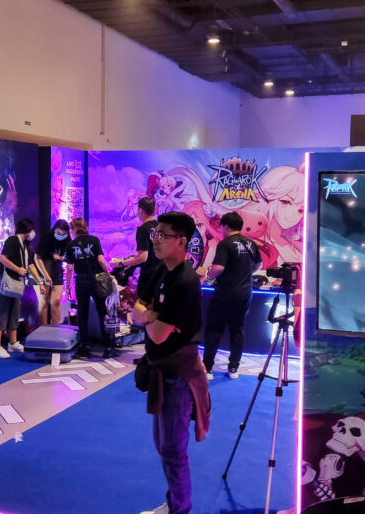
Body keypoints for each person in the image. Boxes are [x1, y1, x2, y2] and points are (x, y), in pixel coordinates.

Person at [133, 212, 210, 514]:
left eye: (163, 235)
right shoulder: (160, 271)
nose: (156, 240)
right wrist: (152, 315)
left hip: (179, 375)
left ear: (181, 241)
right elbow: (136, 310)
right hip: (160, 370)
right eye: (156, 234)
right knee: (163, 445)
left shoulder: (185, 281)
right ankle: (175, 503)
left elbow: (158, 334)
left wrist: (149, 317)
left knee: (173, 450)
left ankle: (179, 509)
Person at [203, 211, 262, 380]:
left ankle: (207, 368)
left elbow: (218, 268)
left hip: (226, 293)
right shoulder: (251, 243)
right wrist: (246, 273)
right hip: (245, 293)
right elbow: (259, 264)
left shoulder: (225, 244)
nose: (221, 230)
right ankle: (234, 367)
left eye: (221, 226)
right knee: (238, 330)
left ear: (226, 226)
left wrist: (208, 275)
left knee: (214, 330)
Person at [0, 218, 46, 359]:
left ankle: (13, 343)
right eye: (32, 229)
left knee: (15, 311)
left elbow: (31, 265)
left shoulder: (26, 246)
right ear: (27, 230)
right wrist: (18, 269)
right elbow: (3, 258)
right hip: (3, 279)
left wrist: (40, 282)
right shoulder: (12, 240)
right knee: (2, 311)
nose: (33, 232)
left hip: (16, 282)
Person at [65, 217, 114, 358]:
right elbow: (101, 260)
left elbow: (69, 268)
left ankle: (85, 347)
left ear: (74, 229)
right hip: (97, 281)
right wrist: (108, 274)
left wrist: (67, 287)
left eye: (71, 229)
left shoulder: (70, 245)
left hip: (80, 282)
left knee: (82, 314)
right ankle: (108, 347)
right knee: (102, 311)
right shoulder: (94, 240)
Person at [111, 196, 159, 296]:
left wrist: (121, 263)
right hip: (162, 274)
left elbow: (143, 257)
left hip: (149, 276)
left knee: (142, 304)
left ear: (140, 210)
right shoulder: (160, 226)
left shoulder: (142, 229)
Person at [34, 219, 71, 325]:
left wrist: (59, 258)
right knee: (44, 301)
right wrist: (45, 275)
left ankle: (55, 328)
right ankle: (44, 327)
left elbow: (69, 261)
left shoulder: (68, 242)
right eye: (58, 233)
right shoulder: (47, 238)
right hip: (43, 271)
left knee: (56, 301)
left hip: (57, 272)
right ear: (54, 229)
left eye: (63, 234)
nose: (60, 236)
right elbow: (37, 257)